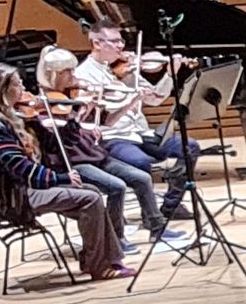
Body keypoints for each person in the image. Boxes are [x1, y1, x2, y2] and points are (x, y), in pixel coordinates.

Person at [0, 63, 131, 281]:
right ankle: (99, 266)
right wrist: (59, 178)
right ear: (2, 90)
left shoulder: (16, 116)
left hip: (28, 187)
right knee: (90, 199)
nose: (24, 89)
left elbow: (54, 146)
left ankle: (101, 260)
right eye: (18, 84)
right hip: (19, 195)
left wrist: (75, 118)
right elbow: (19, 167)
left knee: (91, 193)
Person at [36, 47, 177, 247]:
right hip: (73, 163)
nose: (75, 76)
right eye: (69, 72)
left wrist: (132, 101)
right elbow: (59, 142)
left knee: (142, 178)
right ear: (55, 74)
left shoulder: (74, 96)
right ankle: (115, 239)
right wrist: (81, 114)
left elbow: (108, 121)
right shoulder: (45, 105)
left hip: (94, 154)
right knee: (116, 187)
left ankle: (157, 229)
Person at [75, 19, 197, 222]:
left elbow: (155, 99)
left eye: (121, 41)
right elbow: (97, 116)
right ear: (96, 44)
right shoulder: (84, 75)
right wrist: (130, 98)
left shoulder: (125, 71)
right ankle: (151, 217)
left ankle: (171, 205)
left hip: (140, 133)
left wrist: (169, 74)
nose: (121, 46)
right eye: (114, 42)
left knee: (189, 146)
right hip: (114, 137)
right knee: (140, 161)